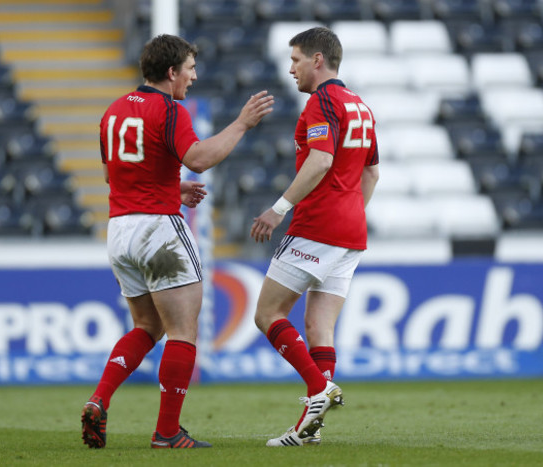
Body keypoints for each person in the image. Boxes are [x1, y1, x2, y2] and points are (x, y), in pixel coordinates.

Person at [81, 34, 274, 450]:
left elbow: (114, 177)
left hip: (120, 230)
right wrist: (241, 123)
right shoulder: (170, 109)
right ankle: (167, 432)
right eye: (189, 69)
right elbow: (199, 159)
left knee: (146, 326)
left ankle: (99, 399)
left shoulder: (112, 111)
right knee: (183, 330)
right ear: (171, 73)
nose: (194, 76)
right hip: (158, 232)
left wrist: (172, 190)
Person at [250, 27, 379, 447]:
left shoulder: (322, 103)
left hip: (317, 225)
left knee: (267, 315)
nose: (291, 69)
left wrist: (278, 208)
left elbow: (320, 161)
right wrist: (351, 213)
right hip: (351, 231)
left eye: (296, 60)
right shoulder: (360, 106)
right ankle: (311, 430)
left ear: (318, 60)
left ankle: (318, 390)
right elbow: (372, 172)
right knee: (319, 328)